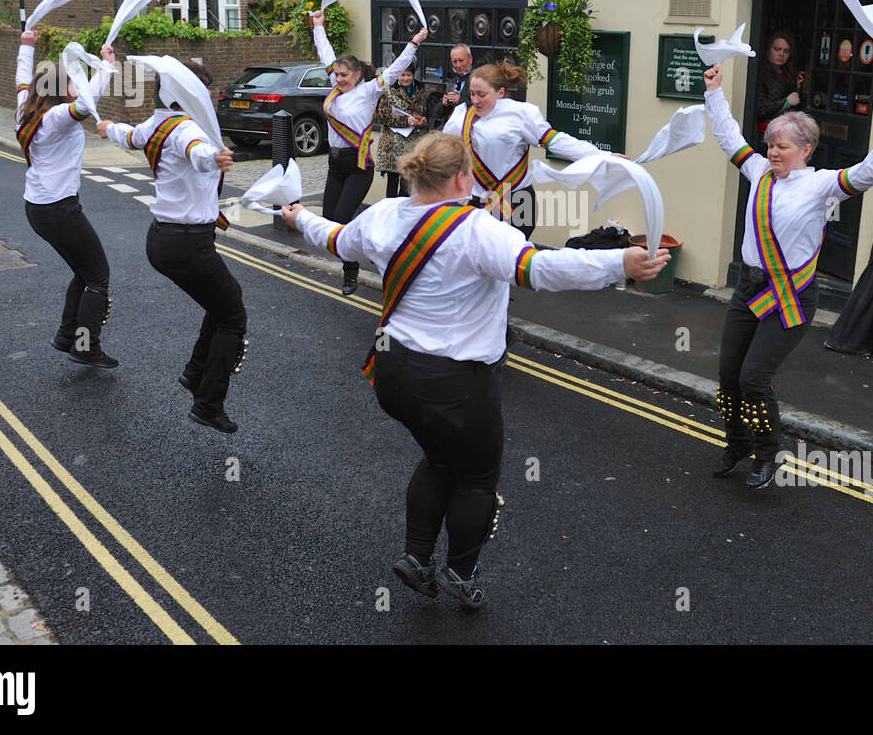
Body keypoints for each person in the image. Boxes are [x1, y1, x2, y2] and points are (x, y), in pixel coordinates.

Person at [281, 133, 669, 609]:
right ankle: (461, 574)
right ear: (463, 177)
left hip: (393, 372)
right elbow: (541, 269)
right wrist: (619, 263)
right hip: (453, 385)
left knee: (440, 459)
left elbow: (336, 241)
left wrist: (300, 216)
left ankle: (417, 559)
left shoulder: (384, 214)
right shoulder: (479, 229)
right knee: (476, 479)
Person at [703, 63, 873, 488]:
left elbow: (869, 172)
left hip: (789, 297)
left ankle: (768, 451)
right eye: (770, 144)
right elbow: (727, 136)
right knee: (727, 377)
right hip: (750, 289)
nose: (773, 152)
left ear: (806, 150)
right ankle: (736, 442)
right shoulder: (757, 171)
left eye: (783, 147)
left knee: (754, 378)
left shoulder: (822, 185)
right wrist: (715, 92)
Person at [97, 60, 244, 434]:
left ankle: (196, 374)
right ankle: (208, 402)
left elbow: (129, 136)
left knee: (221, 305)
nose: (208, 96)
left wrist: (106, 127)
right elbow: (196, 150)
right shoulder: (187, 128)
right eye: (203, 89)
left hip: (162, 239)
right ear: (185, 93)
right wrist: (213, 157)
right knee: (232, 316)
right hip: (187, 243)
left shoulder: (156, 122)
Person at [15, 29, 119, 368]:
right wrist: (105, 68)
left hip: (39, 207)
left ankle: (67, 335)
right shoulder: (57, 119)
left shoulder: (25, 110)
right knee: (98, 275)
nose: (78, 84)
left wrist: (26, 46)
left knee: (83, 272)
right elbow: (88, 104)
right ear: (60, 91)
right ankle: (85, 346)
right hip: (59, 209)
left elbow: (21, 79)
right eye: (73, 81)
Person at [308, 10, 428, 294]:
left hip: (359, 166)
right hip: (334, 165)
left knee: (340, 221)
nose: (338, 78)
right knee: (330, 224)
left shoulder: (370, 90)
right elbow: (326, 52)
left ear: (358, 75)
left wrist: (414, 43)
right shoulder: (334, 87)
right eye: (336, 74)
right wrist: (318, 27)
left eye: (344, 74)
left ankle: (354, 269)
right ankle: (365, 248)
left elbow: (396, 68)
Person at [442, 62, 601, 238]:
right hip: (477, 203)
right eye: (472, 94)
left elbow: (554, 141)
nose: (475, 100)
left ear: (501, 92)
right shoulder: (461, 117)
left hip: (518, 202)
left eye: (482, 94)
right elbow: (444, 153)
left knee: (511, 260)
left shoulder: (521, 114)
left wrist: (600, 155)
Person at [374, 66, 428, 198]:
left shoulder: (420, 90)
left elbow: (424, 111)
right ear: (397, 76)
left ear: (413, 75)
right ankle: (391, 212)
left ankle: (403, 211)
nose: (405, 78)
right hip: (393, 143)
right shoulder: (388, 90)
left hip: (411, 142)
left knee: (407, 182)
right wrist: (406, 121)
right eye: (402, 75)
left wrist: (422, 121)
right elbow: (382, 117)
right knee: (393, 181)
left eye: (408, 75)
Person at [755, 30, 805, 148]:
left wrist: (797, 87)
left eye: (786, 51)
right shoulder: (761, 73)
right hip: (767, 135)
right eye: (777, 49)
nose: (781, 54)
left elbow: (798, 105)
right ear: (768, 49)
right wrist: (786, 102)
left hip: (788, 133)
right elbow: (760, 108)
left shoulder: (789, 74)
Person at [426, 44, 474, 130]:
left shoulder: (478, 79)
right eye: (454, 62)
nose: (458, 65)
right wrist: (444, 103)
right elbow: (439, 113)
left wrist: (460, 100)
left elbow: (482, 106)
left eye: (461, 60)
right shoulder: (452, 81)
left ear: (470, 59)